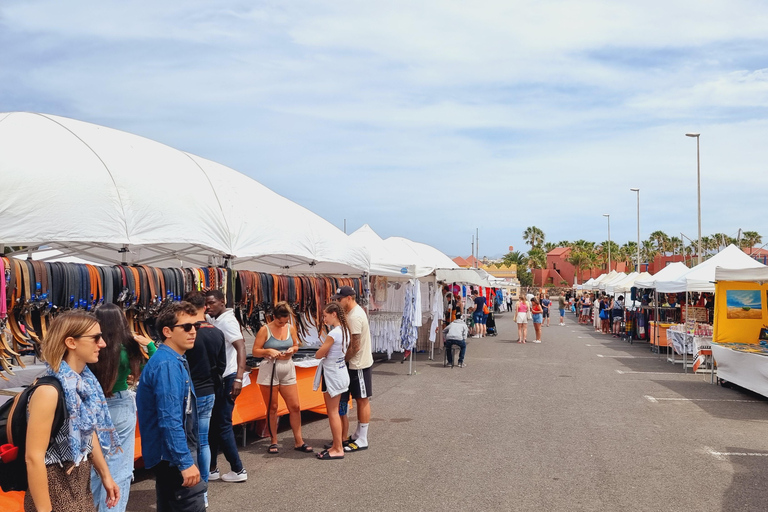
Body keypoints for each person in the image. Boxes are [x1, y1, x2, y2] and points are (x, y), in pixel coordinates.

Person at [26, 311, 120, 512]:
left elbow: (88, 430)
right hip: (55, 487)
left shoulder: (83, 385)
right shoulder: (49, 391)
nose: (102, 344)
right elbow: (33, 457)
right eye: (95, 337)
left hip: (79, 485)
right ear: (71, 342)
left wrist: (106, 475)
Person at [137, 301, 206, 512]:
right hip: (172, 456)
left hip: (171, 455)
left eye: (196, 326)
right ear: (167, 331)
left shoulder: (173, 360)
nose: (193, 331)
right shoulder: (167, 364)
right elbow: (170, 419)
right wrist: (184, 462)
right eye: (186, 327)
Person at [89, 303, 156, 512]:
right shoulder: (129, 346)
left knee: (94, 467)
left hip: (93, 405)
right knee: (119, 468)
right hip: (120, 405)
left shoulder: (91, 347)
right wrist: (151, 346)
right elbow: (153, 369)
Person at [183, 291, 227, 507]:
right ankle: (204, 490)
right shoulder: (216, 333)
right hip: (209, 390)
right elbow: (222, 366)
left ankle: (195, 489)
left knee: (192, 442)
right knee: (203, 440)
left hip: (191, 393)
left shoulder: (187, 334)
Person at [252, 301, 313, 455]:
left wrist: (293, 349)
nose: (282, 324)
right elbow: (255, 351)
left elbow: (296, 345)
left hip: (287, 368)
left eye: (285, 321)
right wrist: (269, 351)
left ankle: (299, 441)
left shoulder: (290, 328)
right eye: (280, 321)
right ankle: (274, 441)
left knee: (295, 406)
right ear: (274, 317)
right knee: (272, 408)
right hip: (270, 368)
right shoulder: (265, 330)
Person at [204, 290, 247, 483]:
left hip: (229, 377)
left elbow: (241, 347)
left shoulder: (227, 322)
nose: (208, 307)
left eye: (212, 303)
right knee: (214, 424)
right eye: (206, 303)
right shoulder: (215, 317)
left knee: (222, 424)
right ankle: (211, 467)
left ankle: (238, 469)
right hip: (222, 378)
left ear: (223, 302)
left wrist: (238, 378)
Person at [333, 285, 373, 452]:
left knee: (362, 399)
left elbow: (355, 346)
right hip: (352, 364)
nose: (337, 302)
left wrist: (342, 360)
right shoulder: (351, 313)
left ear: (349, 298)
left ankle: (363, 438)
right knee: (348, 398)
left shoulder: (355, 316)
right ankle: (354, 435)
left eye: (339, 299)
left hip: (358, 365)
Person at [314, 302, 351, 460]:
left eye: (325, 315)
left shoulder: (334, 333)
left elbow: (319, 354)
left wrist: (322, 349)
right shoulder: (345, 330)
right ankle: (338, 445)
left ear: (334, 314)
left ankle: (337, 447)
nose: (324, 319)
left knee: (333, 412)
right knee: (335, 412)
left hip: (333, 375)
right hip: (340, 372)